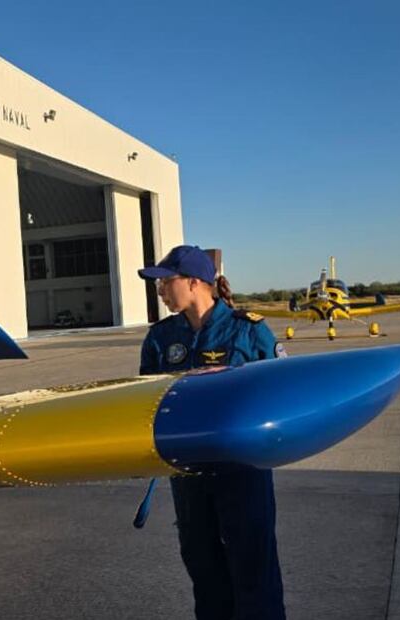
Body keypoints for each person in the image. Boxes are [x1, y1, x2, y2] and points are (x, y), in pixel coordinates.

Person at [137, 245, 286, 620]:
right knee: (203, 569)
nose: (160, 290)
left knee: (254, 567)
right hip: (187, 473)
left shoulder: (248, 329)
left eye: (166, 282)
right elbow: (145, 402)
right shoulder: (160, 338)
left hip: (242, 469)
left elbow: (281, 391)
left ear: (193, 282)